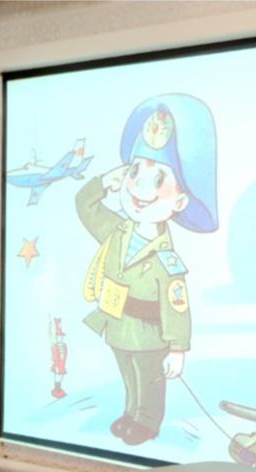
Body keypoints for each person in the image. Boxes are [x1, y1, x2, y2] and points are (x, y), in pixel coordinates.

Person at [76, 93, 218, 446]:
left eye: (158, 180)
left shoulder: (167, 261)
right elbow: (84, 206)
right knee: (127, 373)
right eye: (135, 171)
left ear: (180, 200)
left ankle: (147, 421)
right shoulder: (116, 230)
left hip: (148, 333)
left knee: (147, 379)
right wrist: (103, 183)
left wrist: (178, 349)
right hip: (117, 325)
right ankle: (130, 413)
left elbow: (176, 307)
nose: (139, 188)